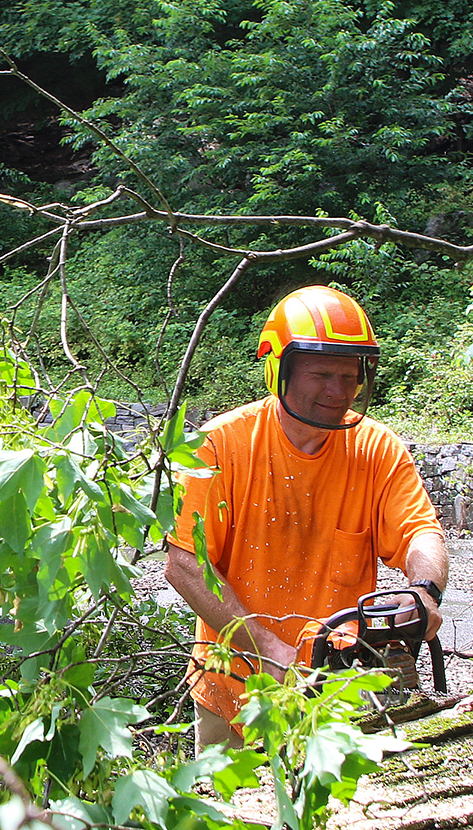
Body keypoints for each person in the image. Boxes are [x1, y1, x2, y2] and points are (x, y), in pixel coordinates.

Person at [166, 285, 449, 749]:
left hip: (342, 681)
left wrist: (424, 591)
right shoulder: (220, 445)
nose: (338, 392)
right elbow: (185, 565)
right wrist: (269, 649)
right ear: (278, 369)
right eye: (321, 375)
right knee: (231, 812)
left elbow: (420, 531)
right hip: (233, 682)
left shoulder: (376, 449)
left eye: (348, 376)